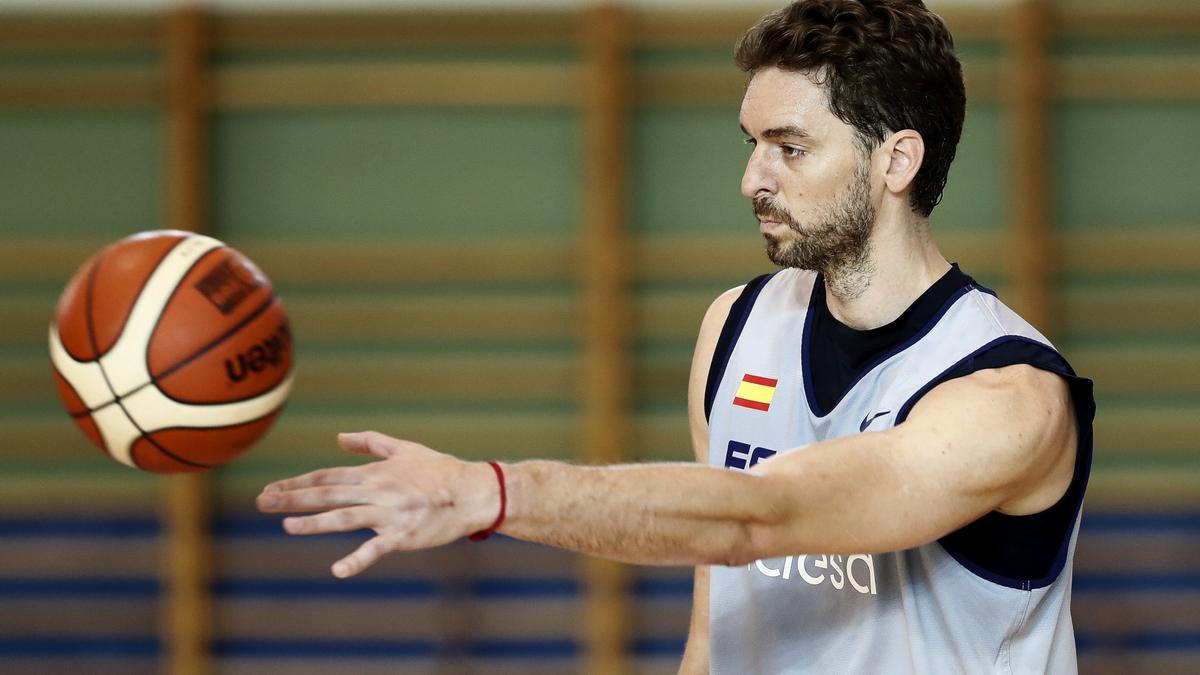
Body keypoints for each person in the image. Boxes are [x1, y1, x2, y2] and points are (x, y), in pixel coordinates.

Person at [257, 0, 1095, 672]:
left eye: (790, 147)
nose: (751, 178)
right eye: (751, 143)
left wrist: (492, 491)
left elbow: (763, 517)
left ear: (896, 161)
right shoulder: (736, 327)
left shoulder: (1008, 396)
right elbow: (720, 619)